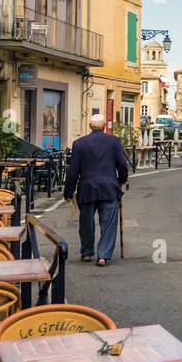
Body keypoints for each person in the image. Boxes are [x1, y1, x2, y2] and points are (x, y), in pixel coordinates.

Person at [64, 112, 129, 266]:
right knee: (108, 223)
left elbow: (73, 170)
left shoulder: (79, 143)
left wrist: (68, 191)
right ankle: (103, 255)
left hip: (87, 188)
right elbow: (122, 164)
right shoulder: (114, 141)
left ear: (89, 126)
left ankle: (87, 252)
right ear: (104, 127)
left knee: (86, 222)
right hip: (109, 188)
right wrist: (121, 180)